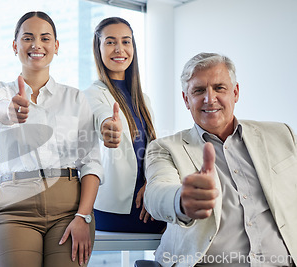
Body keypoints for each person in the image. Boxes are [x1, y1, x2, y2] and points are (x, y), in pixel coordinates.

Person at [144, 52, 296, 266]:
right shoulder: (164, 148)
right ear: (186, 100)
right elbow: (155, 194)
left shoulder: (283, 135)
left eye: (219, 88)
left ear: (235, 92)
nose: (210, 99)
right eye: (198, 91)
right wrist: (181, 200)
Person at [0, 11, 103, 267]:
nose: (36, 44)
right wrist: (11, 110)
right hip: (15, 208)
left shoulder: (75, 98)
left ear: (56, 46)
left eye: (45, 38)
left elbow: (91, 162)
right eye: (28, 38)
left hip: (69, 210)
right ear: (15, 46)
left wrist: (84, 216)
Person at [84, 17, 165, 233]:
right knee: (183, 222)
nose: (119, 49)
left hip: (148, 196)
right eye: (110, 42)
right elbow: (102, 118)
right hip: (116, 208)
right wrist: (108, 128)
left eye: (126, 41)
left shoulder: (143, 99)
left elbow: (154, 151)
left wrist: (153, 185)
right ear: (98, 48)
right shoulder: (92, 95)